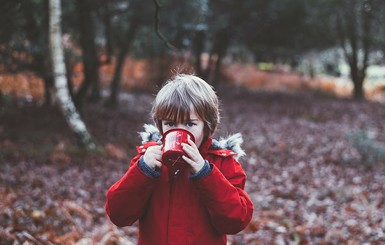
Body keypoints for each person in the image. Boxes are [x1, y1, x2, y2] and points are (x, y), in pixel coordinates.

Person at [105, 74, 254, 245]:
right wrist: (142, 171)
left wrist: (206, 174)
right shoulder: (148, 161)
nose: (179, 131)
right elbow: (118, 214)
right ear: (159, 124)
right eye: (170, 123)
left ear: (207, 126)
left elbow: (236, 221)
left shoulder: (223, 164)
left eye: (190, 124)